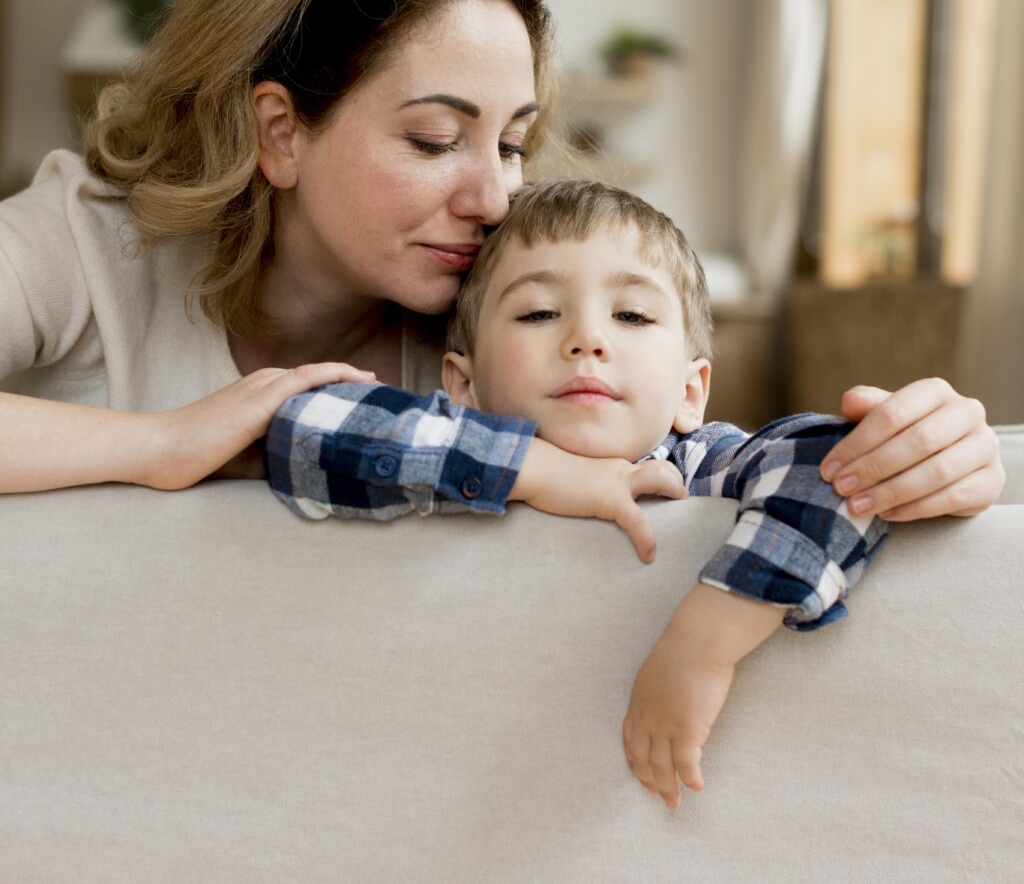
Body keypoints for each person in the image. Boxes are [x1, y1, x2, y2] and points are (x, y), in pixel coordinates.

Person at [0, 0, 1003, 561]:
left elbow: (691, 463)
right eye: (436, 138)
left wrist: (921, 451)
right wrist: (156, 443)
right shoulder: (85, 247)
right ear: (281, 131)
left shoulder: (500, 325)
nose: (492, 197)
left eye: (513, 142)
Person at [266, 178, 889, 810]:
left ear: (690, 392)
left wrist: (703, 646)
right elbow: (301, 425)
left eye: (631, 315)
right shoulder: (446, 443)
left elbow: (839, 466)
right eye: (539, 312)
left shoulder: (699, 468)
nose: (587, 339)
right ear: (464, 382)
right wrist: (540, 471)